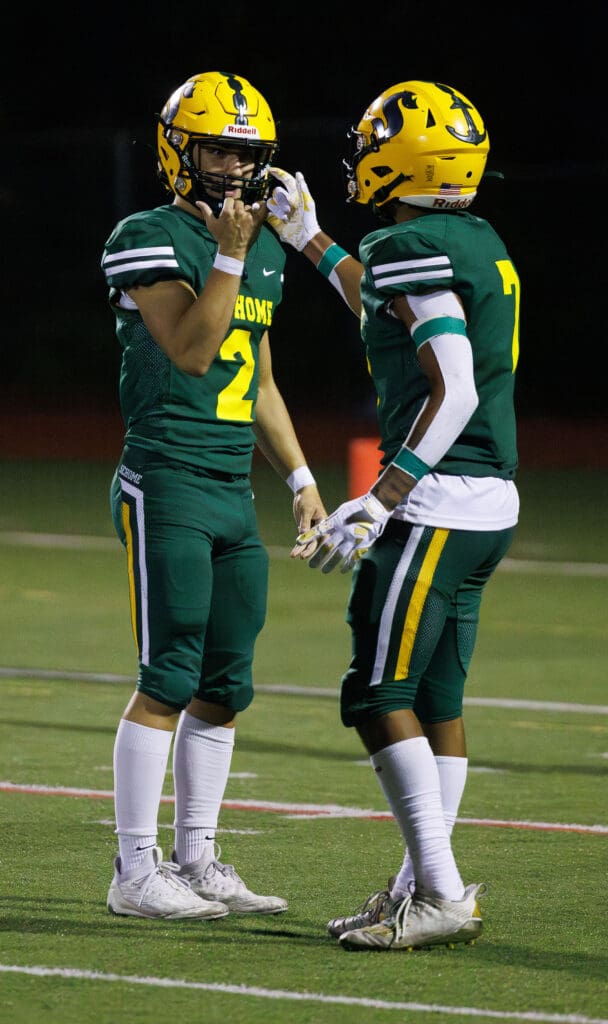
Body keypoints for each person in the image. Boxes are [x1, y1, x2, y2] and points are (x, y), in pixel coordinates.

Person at [266, 80, 520, 950]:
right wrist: (311, 242)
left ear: (410, 157)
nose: (364, 149)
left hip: (438, 503)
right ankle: (420, 889)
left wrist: (381, 495)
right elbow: (387, 305)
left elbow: (454, 391)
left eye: (378, 137)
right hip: (488, 503)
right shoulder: (468, 238)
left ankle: (441, 894)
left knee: (377, 694)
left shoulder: (412, 241)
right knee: (436, 694)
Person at [100, 70, 326, 920]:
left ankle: (197, 857)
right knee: (168, 675)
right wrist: (231, 251)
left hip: (233, 486)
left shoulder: (260, 244)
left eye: (245, 152)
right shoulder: (146, 235)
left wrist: (301, 479)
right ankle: (133, 871)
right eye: (216, 148)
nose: (233, 167)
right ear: (177, 149)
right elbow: (195, 352)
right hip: (167, 479)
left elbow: (257, 375)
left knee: (226, 683)